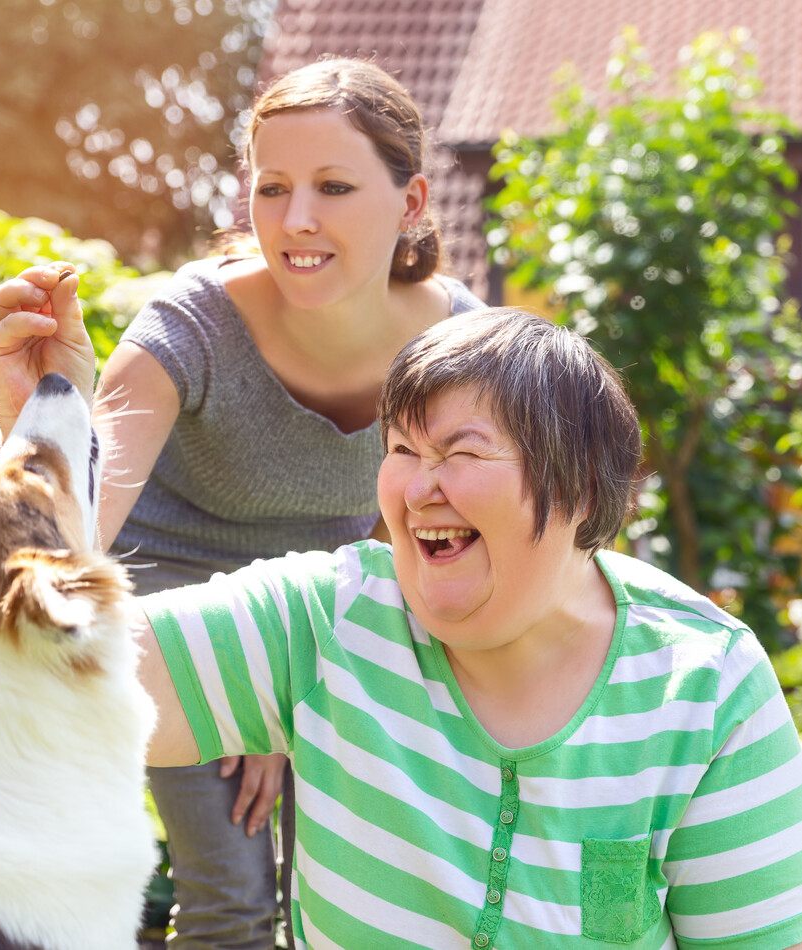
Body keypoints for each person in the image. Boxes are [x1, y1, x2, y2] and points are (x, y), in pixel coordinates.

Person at [0, 57, 485, 949]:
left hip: (336, 602)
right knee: (236, 898)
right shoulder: (190, 324)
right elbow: (84, 520)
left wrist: (302, 679)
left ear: (409, 203)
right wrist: (33, 426)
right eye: (272, 187)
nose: (296, 221)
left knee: (362, 900)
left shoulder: (454, 342)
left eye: (333, 187)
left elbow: (417, 526)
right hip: (166, 596)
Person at [135, 307, 802, 950]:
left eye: (462, 452)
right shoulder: (328, 618)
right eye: (402, 449)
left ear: (581, 492)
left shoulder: (707, 689)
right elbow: (70, 677)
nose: (418, 487)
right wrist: (40, 436)